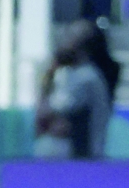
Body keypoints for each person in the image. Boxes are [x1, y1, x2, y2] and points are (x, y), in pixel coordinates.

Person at [34, 20, 117, 159]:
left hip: (83, 157)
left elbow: (52, 109)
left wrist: (47, 77)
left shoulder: (86, 77)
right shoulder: (69, 73)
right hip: (79, 157)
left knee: (48, 146)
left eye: (69, 37)